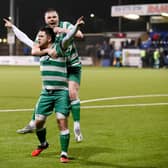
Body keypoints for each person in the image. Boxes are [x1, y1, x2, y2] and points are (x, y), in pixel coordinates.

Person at [4, 9, 83, 142]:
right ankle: (32, 123)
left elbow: (79, 34)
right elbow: (30, 43)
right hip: (58, 67)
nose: (52, 19)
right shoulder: (44, 33)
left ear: (58, 18)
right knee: (45, 93)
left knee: (72, 93)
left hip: (72, 65)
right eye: (49, 18)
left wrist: (62, 30)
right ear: (45, 20)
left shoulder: (66, 25)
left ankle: (77, 126)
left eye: (54, 17)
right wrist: (13, 27)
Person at [30, 17, 84, 163]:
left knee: (62, 121)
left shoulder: (60, 47)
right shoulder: (41, 49)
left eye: (41, 36)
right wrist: (12, 28)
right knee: (38, 123)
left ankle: (64, 153)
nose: (38, 39)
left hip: (61, 92)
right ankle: (43, 144)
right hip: (46, 93)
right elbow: (25, 39)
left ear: (49, 38)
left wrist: (76, 27)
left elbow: (68, 38)